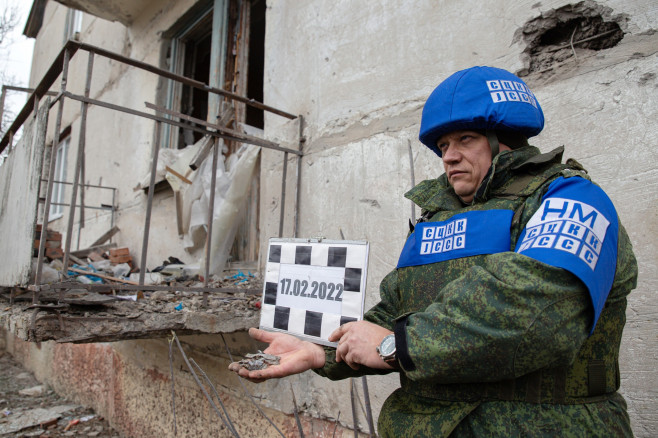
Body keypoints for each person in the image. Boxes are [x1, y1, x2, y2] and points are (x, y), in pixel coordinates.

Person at [229, 66, 638, 437]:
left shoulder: (572, 199)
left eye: (465, 139)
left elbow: (535, 312)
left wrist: (395, 346)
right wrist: (322, 350)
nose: (449, 156)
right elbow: (395, 310)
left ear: (506, 140)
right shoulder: (435, 218)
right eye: (442, 145)